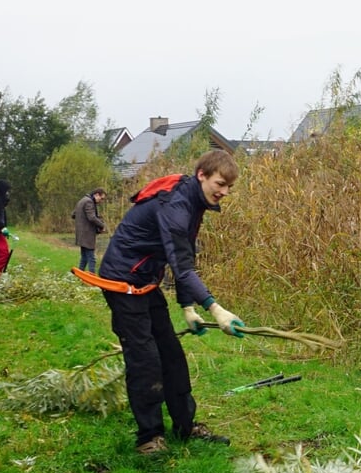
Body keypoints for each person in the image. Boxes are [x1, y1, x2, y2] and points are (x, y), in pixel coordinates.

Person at [91, 150, 246, 454]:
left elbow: (183, 256)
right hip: (122, 282)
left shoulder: (193, 200)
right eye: (220, 183)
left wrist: (188, 308)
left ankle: (186, 428)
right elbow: (184, 268)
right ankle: (149, 438)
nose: (224, 192)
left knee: (172, 356)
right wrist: (215, 308)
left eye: (229, 187)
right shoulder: (176, 206)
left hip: (146, 282)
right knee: (146, 360)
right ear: (202, 174)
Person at [73, 187, 107, 273]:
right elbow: (91, 217)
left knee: (84, 257)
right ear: (96, 195)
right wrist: (102, 225)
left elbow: (73, 214)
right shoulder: (89, 202)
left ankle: (79, 275)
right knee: (91, 258)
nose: (101, 201)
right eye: (101, 198)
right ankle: (92, 278)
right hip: (87, 234)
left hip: (81, 234)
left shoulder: (82, 200)